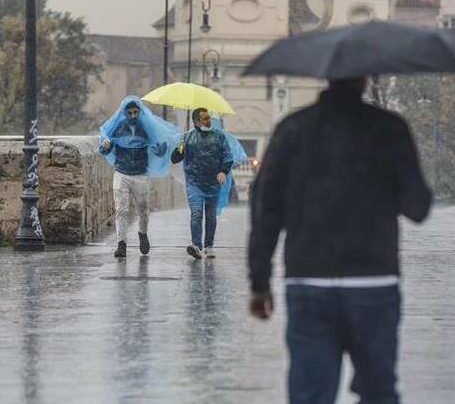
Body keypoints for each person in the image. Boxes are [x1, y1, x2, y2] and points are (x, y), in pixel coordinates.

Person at [248, 78, 432, 404]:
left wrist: (260, 281)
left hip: (309, 282)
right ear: (364, 79)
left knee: (310, 395)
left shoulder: (292, 129)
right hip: (373, 283)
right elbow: (417, 207)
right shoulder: (389, 129)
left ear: (327, 76)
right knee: (378, 392)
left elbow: (266, 209)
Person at [98, 96, 179, 258]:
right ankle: (121, 244)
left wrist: (161, 148)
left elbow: (158, 150)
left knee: (143, 210)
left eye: (136, 112)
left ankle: (143, 234)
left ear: (140, 112)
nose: (133, 115)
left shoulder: (146, 128)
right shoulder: (117, 127)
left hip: (140, 174)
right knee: (121, 209)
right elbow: (104, 148)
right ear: (124, 113)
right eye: (130, 112)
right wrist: (104, 146)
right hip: (121, 172)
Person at [171, 108, 233, 260]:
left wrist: (223, 171)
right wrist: (180, 148)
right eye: (204, 118)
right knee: (196, 214)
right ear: (196, 121)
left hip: (213, 183)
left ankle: (209, 246)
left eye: (208, 118)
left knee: (211, 216)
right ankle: (196, 247)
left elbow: (227, 156)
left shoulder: (219, 136)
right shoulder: (187, 137)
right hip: (194, 183)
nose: (208, 121)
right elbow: (175, 159)